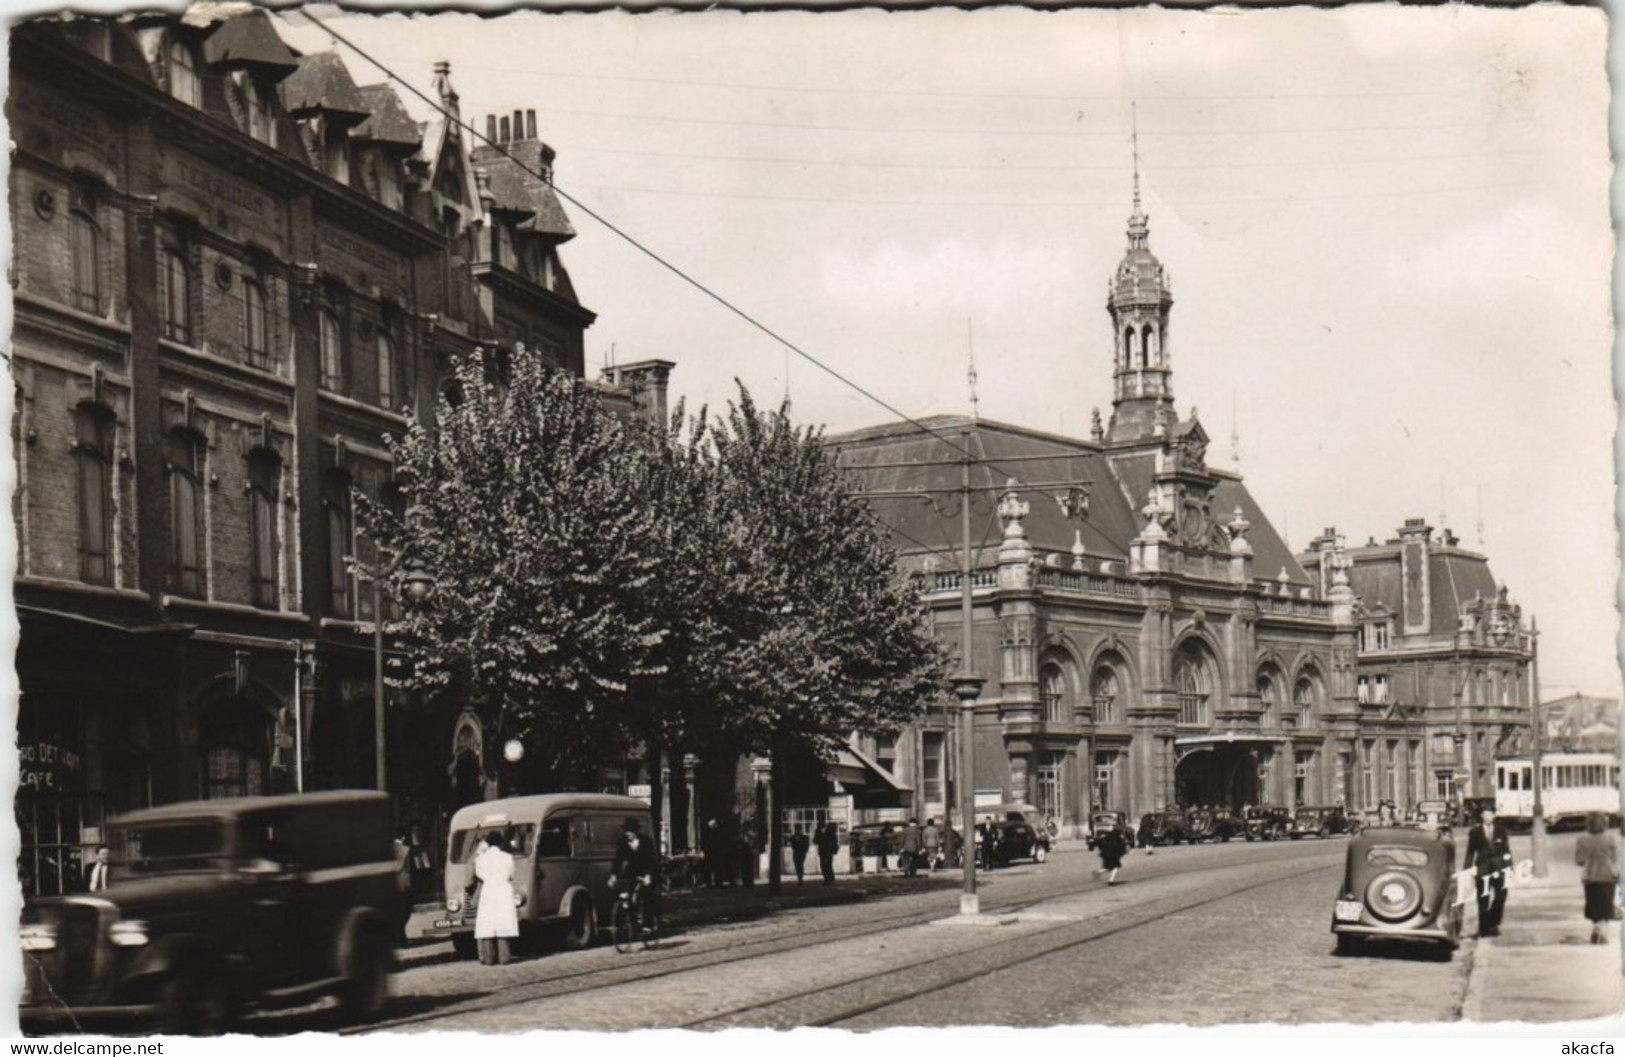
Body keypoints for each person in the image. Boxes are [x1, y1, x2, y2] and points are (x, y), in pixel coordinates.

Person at [1465, 807, 1512, 938]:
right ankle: (1483, 929)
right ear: (1481, 816)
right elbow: (1470, 852)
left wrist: (1509, 868)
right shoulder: (1475, 832)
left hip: (1499, 869)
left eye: (1490, 815)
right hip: (1482, 869)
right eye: (1485, 815)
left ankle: (1493, 923)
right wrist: (1467, 870)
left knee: (1501, 896)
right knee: (1483, 899)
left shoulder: (1501, 830)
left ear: (1494, 816)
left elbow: (1506, 850)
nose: (1488, 817)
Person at [472, 832, 518, 965]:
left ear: (488, 843)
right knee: (503, 923)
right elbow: (511, 874)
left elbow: (479, 874)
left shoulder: (481, 859)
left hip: (488, 891)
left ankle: (489, 958)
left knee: (487, 924)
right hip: (503, 890)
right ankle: (504, 957)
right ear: (501, 843)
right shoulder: (507, 857)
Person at [1576, 812, 1620, 945]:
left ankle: (1596, 927)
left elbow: (1580, 860)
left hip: (1590, 876)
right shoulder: (1610, 839)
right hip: (1608, 875)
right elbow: (1615, 858)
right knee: (1606, 904)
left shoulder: (1582, 840)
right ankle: (1603, 933)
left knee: (1593, 904)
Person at [611, 816, 660, 928]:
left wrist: (648, 876)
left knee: (646, 894)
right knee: (625, 894)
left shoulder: (646, 842)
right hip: (632, 871)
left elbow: (651, 860)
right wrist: (613, 875)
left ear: (636, 831)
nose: (628, 834)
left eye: (631, 831)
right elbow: (618, 860)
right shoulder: (622, 842)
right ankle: (631, 923)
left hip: (646, 871)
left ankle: (647, 924)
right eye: (627, 831)